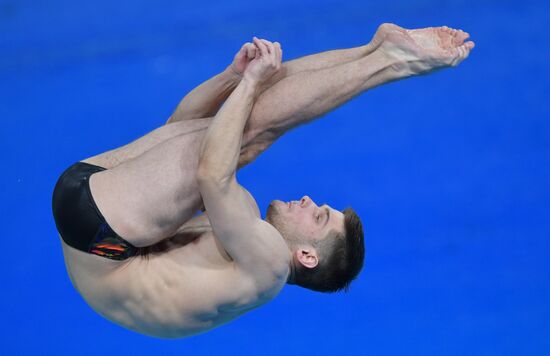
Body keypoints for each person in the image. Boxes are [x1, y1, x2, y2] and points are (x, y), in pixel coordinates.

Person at [52, 23, 474, 338]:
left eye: (320, 216)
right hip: (94, 206)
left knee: (248, 132)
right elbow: (179, 126)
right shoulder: (241, 243)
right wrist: (233, 78)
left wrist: (251, 84)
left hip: (101, 232)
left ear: (307, 256)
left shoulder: (269, 265)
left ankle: (390, 60)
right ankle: (375, 49)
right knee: (235, 127)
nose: (310, 200)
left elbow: (210, 174)